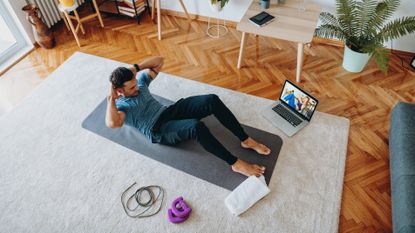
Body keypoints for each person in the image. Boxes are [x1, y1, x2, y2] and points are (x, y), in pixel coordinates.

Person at [105, 56, 271, 177]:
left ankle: (245, 139)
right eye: (132, 87)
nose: (137, 88)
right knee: (195, 127)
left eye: (135, 83)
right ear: (120, 91)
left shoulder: (140, 83)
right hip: (158, 129)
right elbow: (113, 123)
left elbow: (159, 61)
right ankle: (236, 164)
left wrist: (135, 68)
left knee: (211, 100)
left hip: (168, 112)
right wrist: (111, 97)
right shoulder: (121, 106)